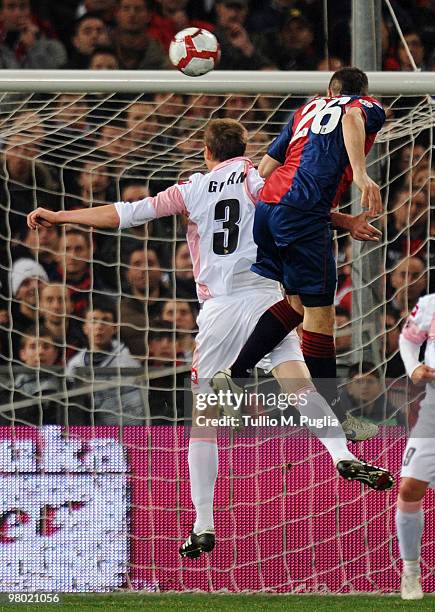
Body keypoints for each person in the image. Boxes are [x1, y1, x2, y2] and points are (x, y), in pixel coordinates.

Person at [28, 117, 393, 561]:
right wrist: (347, 222)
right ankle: (338, 453)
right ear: (247, 148)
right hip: (265, 300)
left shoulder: (191, 189)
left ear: (206, 152)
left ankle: (203, 523)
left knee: (205, 419)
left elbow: (122, 214)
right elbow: (304, 211)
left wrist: (60, 214)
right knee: (299, 385)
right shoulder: (262, 181)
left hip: (219, 308)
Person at [211, 67, 385, 442]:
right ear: (361, 91)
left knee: (296, 303)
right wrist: (359, 172)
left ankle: (235, 375)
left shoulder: (304, 110)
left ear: (328, 89)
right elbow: (352, 115)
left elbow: (267, 166)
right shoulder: (364, 105)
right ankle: (338, 419)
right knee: (321, 319)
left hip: (272, 208)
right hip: (303, 214)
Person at [396, 292, 435, 600]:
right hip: (433, 403)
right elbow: (408, 339)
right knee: (409, 487)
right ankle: (411, 574)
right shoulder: (431, 303)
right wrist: (414, 368)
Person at [66, 297, 144, 425]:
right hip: (84, 433)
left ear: (115, 328)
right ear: (85, 328)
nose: (99, 326)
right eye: (93, 321)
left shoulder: (128, 362)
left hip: (122, 431)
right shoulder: (75, 364)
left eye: (105, 320)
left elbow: (135, 408)